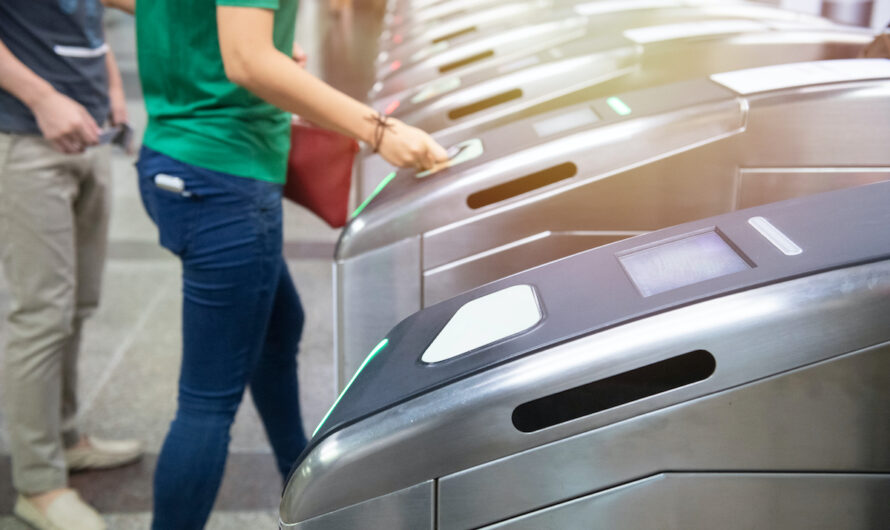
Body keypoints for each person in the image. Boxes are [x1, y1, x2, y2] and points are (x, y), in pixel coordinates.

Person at [101, 0, 447, 528]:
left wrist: (248, 39)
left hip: (176, 153)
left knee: (279, 328)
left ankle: (305, 486)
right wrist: (379, 129)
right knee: (207, 402)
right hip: (223, 173)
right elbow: (248, 63)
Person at [0, 1, 144, 530]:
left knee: (77, 302)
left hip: (86, 129)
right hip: (24, 136)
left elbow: (93, 13)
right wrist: (41, 97)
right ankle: (37, 484)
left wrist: (109, 88)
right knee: (42, 315)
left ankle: (63, 436)